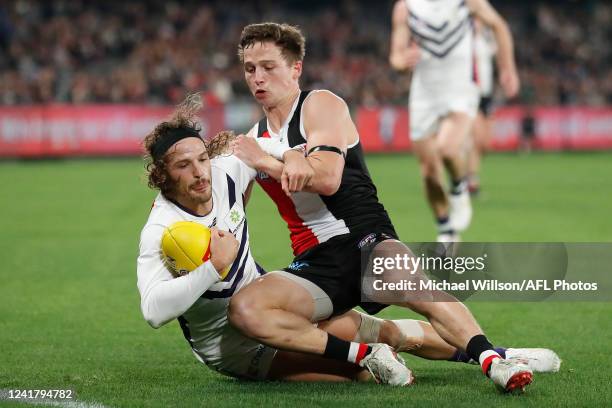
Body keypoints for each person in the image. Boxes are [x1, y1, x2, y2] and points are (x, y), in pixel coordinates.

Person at [228, 22, 558, 392]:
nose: (258, 77)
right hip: (317, 267)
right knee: (251, 312)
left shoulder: (320, 105)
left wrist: (265, 161)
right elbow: (232, 218)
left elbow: (327, 179)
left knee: (414, 288)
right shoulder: (252, 140)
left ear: (295, 69)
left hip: (365, 239)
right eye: (250, 68)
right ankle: (499, 352)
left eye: (269, 67)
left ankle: (494, 363)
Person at [137, 94, 549, 383]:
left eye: (202, 159)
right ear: (162, 176)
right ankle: (364, 358)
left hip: (276, 308)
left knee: (390, 332)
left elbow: (273, 148)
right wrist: (212, 266)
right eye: (183, 166)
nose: (199, 172)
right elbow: (154, 311)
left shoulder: (225, 172)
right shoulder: (160, 231)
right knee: (362, 374)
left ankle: (502, 356)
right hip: (238, 351)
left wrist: (294, 156)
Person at [389, 0, 520, 241]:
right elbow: (396, 56)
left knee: (447, 149)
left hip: (461, 90)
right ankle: (445, 228)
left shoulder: (467, 2)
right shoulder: (406, 7)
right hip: (424, 95)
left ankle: (459, 189)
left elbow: (499, 26)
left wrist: (507, 68)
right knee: (429, 172)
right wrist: (402, 61)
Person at [467, 18, 497, 196]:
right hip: (471, 94)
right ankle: (470, 180)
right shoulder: (465, 40)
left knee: (485, 144)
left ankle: (465, 175)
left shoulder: (486, 40)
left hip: (487, 95)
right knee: (476, 141)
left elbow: (498, 46)